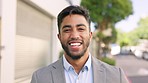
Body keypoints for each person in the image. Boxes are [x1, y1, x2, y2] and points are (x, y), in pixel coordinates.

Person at [31, 5, 129, 83]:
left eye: (81, 29)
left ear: (90, 35)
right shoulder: (40, 78)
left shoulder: (116, 76)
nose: (74, 35)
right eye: (67, 30)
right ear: (59, 37)